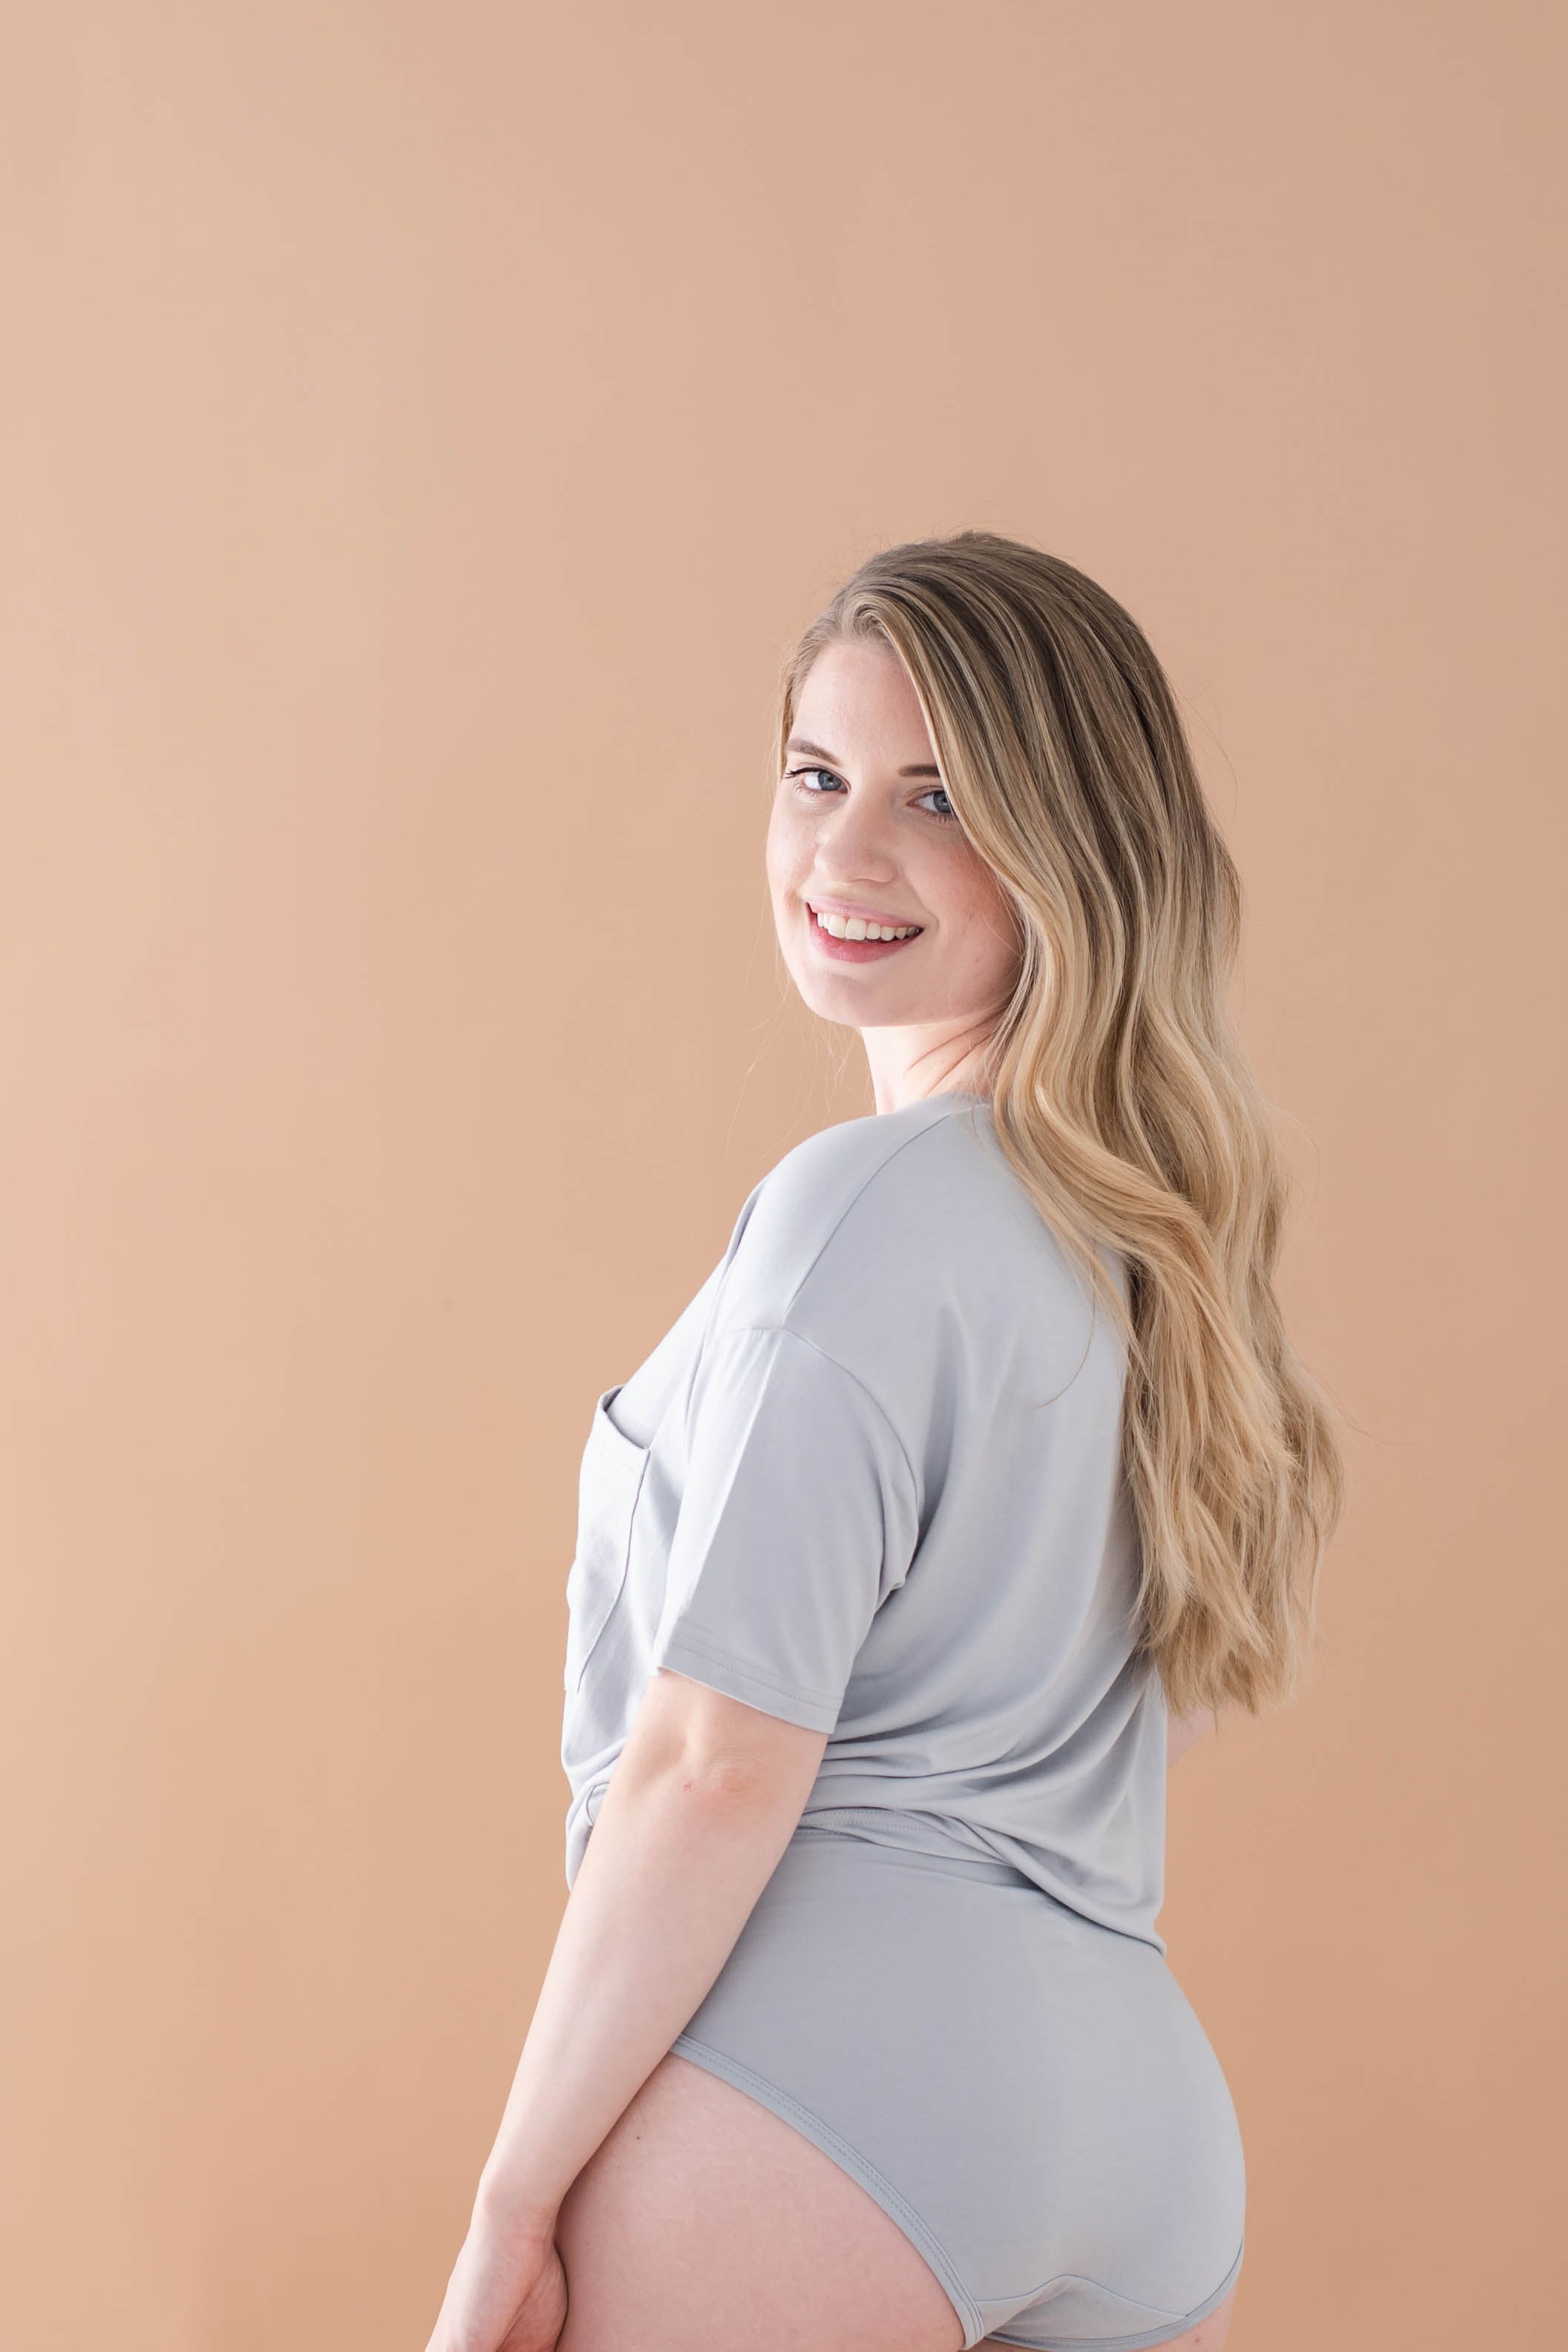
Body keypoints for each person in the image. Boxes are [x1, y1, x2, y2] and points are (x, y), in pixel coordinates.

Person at [423, 530, 1346, 2352]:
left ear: (1069, 841)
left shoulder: (860, 1208)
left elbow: (711, 1761)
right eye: (814, 774)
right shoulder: (1146, 1249)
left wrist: (511, 2199)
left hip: (831, 2089)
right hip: (1140, 2125)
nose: (844, 853)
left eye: (936, 797)